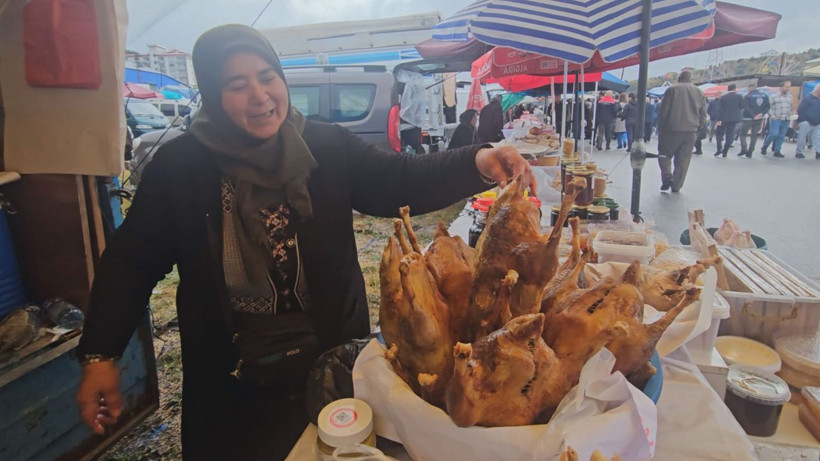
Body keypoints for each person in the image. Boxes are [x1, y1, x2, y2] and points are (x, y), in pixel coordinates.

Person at [74, 24, 535, 460]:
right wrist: (101, 354)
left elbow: (397, 178)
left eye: (266, 76)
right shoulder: (181, 167)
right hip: (229, 369)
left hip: (330, 353)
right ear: (213, 94)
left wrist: (478, 160)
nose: (259, 96)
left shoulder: (325, 147)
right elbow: (131, 262)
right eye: (237, 85)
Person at [655, 70, 707, 192]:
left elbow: (663, 111)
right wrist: (698, 128)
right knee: (683, 160)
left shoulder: (672, 90)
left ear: (679, 78)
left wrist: (660, 128)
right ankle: (677, 185)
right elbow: (703, 114)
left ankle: (667, 177)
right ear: (691, 79)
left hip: (671, 129)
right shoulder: (699, 92)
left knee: (664, 154)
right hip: (690, 131)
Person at [760, 82, 793, 158]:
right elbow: (769, 107)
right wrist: (772, 115)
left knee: (781, 135)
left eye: (789, 87)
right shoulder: (774, 96)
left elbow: (790, 107)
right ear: (781, 87)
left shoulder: (790, 97)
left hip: (786, 118)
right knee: (774, 133)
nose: (788, 89)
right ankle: (765, 146)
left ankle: (777, 150)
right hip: (777, 118)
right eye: (786, 87)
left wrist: (790, 115)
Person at [738, 83, 770, 158]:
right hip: (759, 119)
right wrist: (761, 114)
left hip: (747, 118)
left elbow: (746, 107)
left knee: (743, 134)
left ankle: (744, 148)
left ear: (750, 88)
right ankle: (750, 151)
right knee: (754, 135)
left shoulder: (748, 96)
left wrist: (753, 115)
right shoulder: (765, 95)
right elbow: (768, 106)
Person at [715, 84, 743, 157]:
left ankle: (719, 148)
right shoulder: (739, 97)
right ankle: (725, 151)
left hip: (723, 118)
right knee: (729, 135)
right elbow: (742, 106)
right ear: (735, 89)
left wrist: (718, 119)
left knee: (719, 134)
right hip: (734, 119)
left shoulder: (723, 97)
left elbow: (720, 109)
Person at [796, 84, 820, 160]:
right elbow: (801, 110)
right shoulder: (807, 99)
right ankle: (799, 152)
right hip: (806, 122)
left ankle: (818, 152)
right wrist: (803, 120)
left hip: (817, 122)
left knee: (818, 138)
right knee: (802, 137)